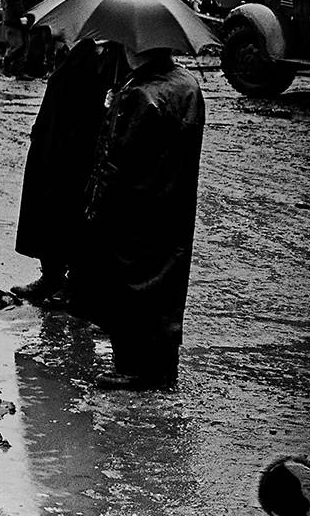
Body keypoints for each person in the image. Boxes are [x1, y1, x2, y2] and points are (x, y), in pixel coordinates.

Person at [69, 41, 206, 390]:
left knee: (128, 282)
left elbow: (114, 157)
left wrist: (93, 207)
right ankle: (163, 366)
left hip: (132, 206)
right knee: (167, 286)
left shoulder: (137, 93)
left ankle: (132, 366)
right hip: (173, 204)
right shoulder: (188, 86)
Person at [13, 38, 122, 307]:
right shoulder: (76, 50)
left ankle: (76, 284)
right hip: (53, 146)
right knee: (48, 211)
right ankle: (51, 276)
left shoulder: (106, 59)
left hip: (79, 151)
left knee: (75, 215)